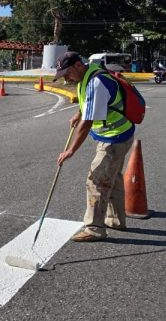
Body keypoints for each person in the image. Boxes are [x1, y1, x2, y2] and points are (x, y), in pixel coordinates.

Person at [54, 51, 135, 242]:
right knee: (111, 178)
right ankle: (115, 220)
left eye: (67, 73)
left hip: (115, 137)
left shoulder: (96, 82)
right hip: (114, 135)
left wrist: (71, 150)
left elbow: (88, 122)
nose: (66, 78)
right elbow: (88, 103)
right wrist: (78, 112)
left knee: (97, 179)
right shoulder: (87, 77)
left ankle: (94, 229)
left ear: (77, 66)